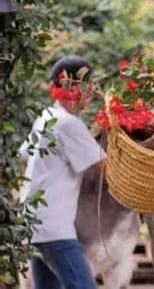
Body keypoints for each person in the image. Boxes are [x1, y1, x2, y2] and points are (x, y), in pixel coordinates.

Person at [19, 55, 104, 289]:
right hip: (54, 230)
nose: (92, 90)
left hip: (33, 224)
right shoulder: (68, 124)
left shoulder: (46, 117)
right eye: (88, 84)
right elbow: (105, 167)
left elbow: (22, 156)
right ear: (74, 88)